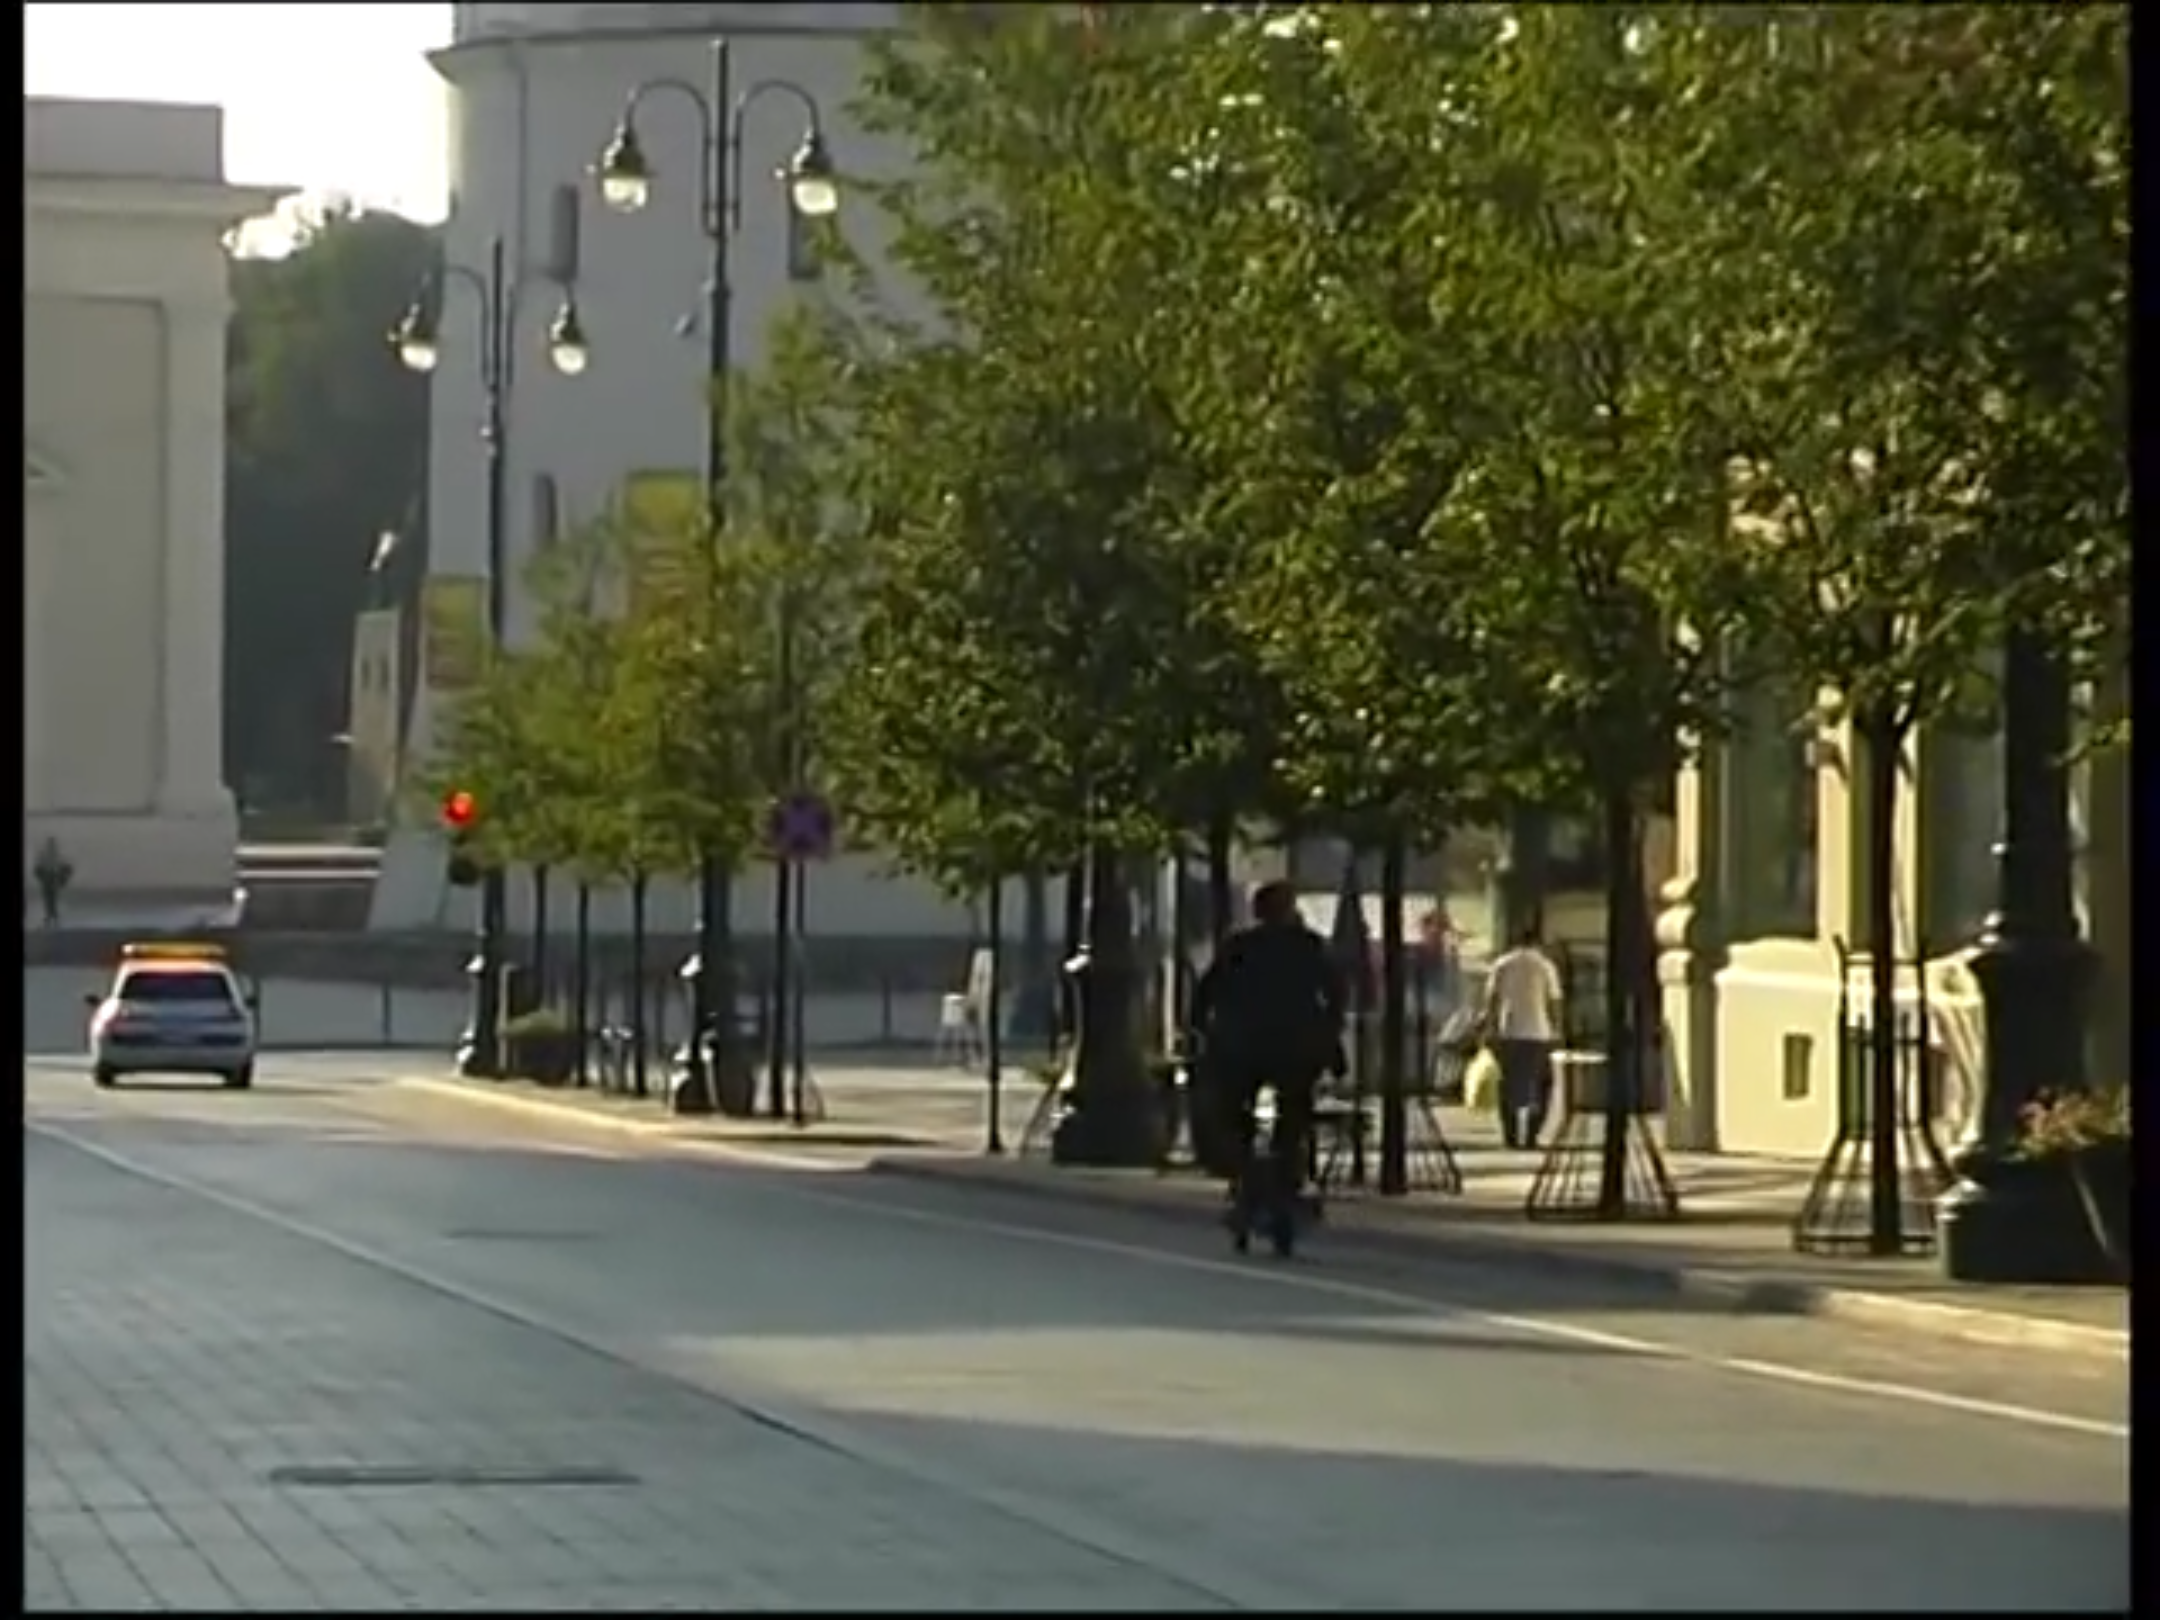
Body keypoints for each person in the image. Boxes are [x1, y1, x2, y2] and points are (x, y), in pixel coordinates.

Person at [1192, 880, 1348, 1222]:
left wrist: (1204, 1031)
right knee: (1294, 1112)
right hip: (1295, 1046)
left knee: (1233, 1110)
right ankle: (1286, 1173)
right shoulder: (1310, 946)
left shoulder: (1239, 947)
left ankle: (1247, 1170)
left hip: (1244, 1046)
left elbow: (1206, 993)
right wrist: (1328, 1036)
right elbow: (1335, 995)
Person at [1480, 920, 1564, 1149]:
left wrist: (1489, 1029)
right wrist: (1558, 1031)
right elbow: (1555, 1002)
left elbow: (1491, 1001)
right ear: (1537, 942)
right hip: (1539, 1034)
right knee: (1541, 1085)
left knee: (1508, 1085)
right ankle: (1532, 1136)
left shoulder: (1502, 964)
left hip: (1509, 1033)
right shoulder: (1545, 965)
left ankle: (1510, 1136)